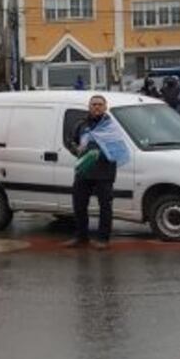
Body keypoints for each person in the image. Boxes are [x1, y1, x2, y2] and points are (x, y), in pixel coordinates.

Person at [64, 95, 117, 250]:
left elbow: (118, 149)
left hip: (104, 172)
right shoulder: (81, 125)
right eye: (94, 104)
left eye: (100, 104)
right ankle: (81, 237)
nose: (97, 107)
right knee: (79, 205)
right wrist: (76, 150)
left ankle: (103, 239)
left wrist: (102, 152)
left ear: (105, 107)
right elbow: (71, 141)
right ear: (89, 107)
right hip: (84, 170)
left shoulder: (111, 126)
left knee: (105, 207)